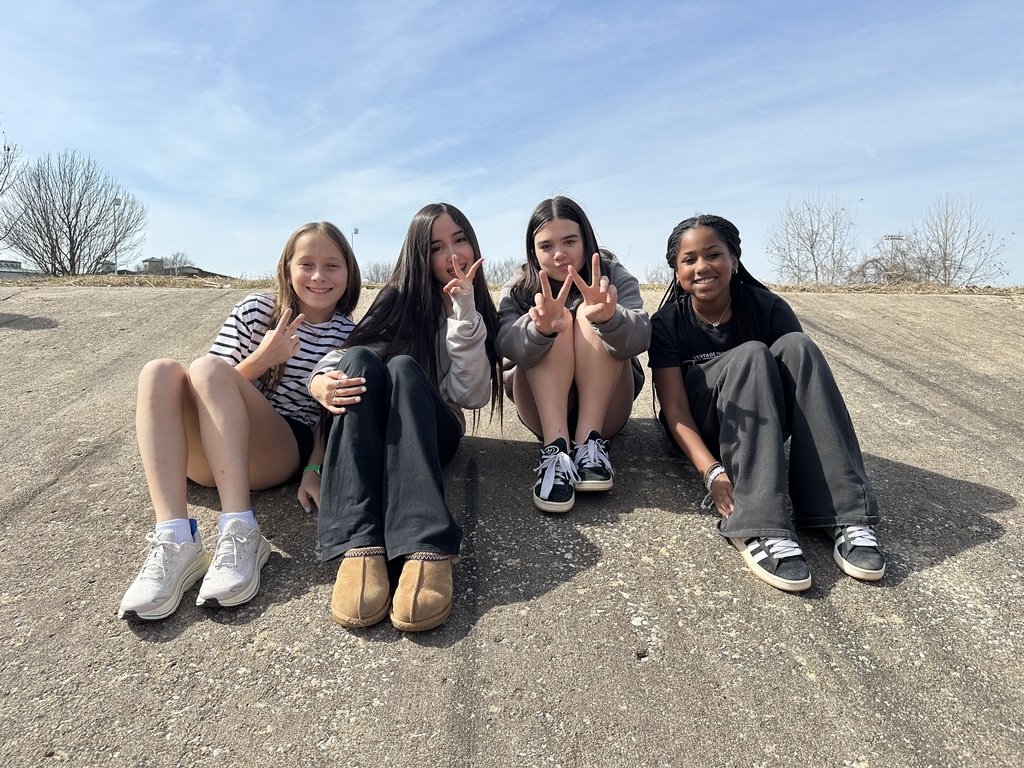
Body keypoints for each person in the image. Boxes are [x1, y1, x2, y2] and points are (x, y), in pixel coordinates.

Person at [118, 222, 361, 620]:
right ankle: (174, 539)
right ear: (286, 269)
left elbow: (329, 413)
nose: (319, 276)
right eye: (307, 264)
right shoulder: (256, 309)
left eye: (332, 266)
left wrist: (314, 469)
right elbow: (204, 384)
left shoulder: (348, 334)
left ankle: (241, 530)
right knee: (158, 371)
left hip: (277, 448)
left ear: (348, 274)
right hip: (212, 457)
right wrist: (264, 358)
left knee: (210, 370)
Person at [648, 214, 884, 592]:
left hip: (767, 419)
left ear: (735, 260)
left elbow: (803, 385)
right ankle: (758, 520)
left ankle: (842, 512)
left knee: (799, 346)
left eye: (713, 254)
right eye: (688, 259)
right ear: (677, 272)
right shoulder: (667, 324)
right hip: (707, 427)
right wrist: (712, 472)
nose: (702, 266)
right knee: (753, 354)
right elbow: (674, 410)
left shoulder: (767, 307)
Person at [307, 203, 501, 632]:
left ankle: (426, 542)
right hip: (385, 436)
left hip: (438, 431)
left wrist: (464, 311)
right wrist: (319, 379)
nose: (453, 254)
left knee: (403, 368)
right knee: (361, 358)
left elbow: (471, 395)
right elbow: (349, 356)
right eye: (437, 247)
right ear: (418, 255)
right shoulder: (397, 299)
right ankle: (360, 543)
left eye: (460, 240)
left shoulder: (476, 304)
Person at [496, 196, 650, 513]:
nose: (559, 253)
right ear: (533, 251)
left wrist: (609, 318)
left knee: (588, 315)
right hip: (541, 408)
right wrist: (538, 327)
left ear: (586, 240)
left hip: (607, 410)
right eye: (546, 246)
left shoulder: (612, 275)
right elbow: (504, 344)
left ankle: (590, 445)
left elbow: (642, 336)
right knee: (558, 321)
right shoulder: (519, 285)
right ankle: (555, 451)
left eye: (569, 241)